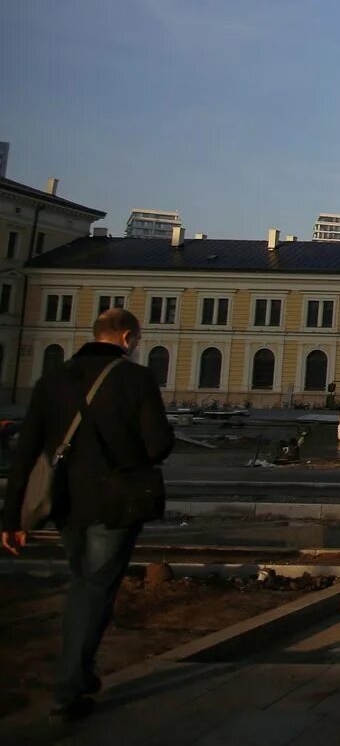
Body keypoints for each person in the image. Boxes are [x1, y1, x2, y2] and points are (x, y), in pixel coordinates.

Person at [2, 308, 173, 721]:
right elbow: (158, 446)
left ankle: (82, 670)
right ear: (128, 338)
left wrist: (11, 518)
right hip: (116, 501)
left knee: (88, 582)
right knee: (94, 588)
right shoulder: (136, 378)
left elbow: (26, 451)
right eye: (137, 340)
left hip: (65, 502)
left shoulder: (53, 378)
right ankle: (69, 687)